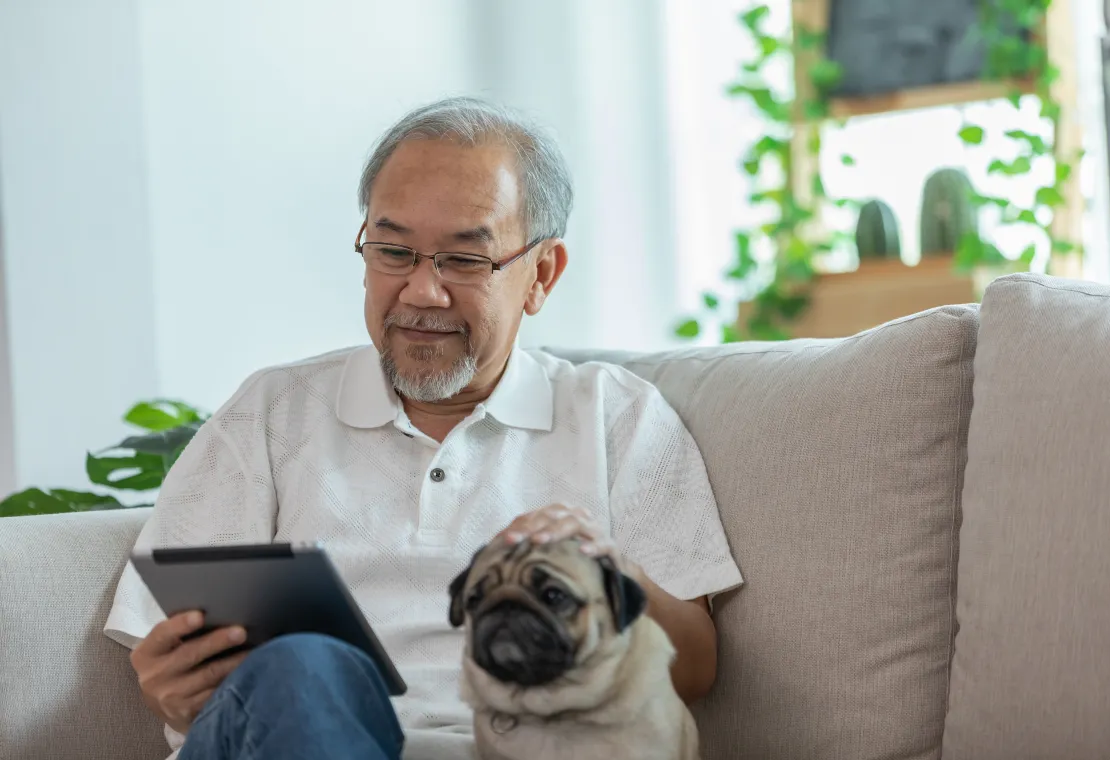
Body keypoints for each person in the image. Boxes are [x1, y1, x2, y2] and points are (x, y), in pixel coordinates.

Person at [103, 96, 742, 760]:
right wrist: (166, 687)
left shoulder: (617, 415)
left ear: (541, 275)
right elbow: (167, 654)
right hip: (289, 735)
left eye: (464, 261)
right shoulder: (272, 412)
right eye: (393, 251)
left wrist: (610, 568)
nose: (421, 292)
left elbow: (693, 670)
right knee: (305, 668)